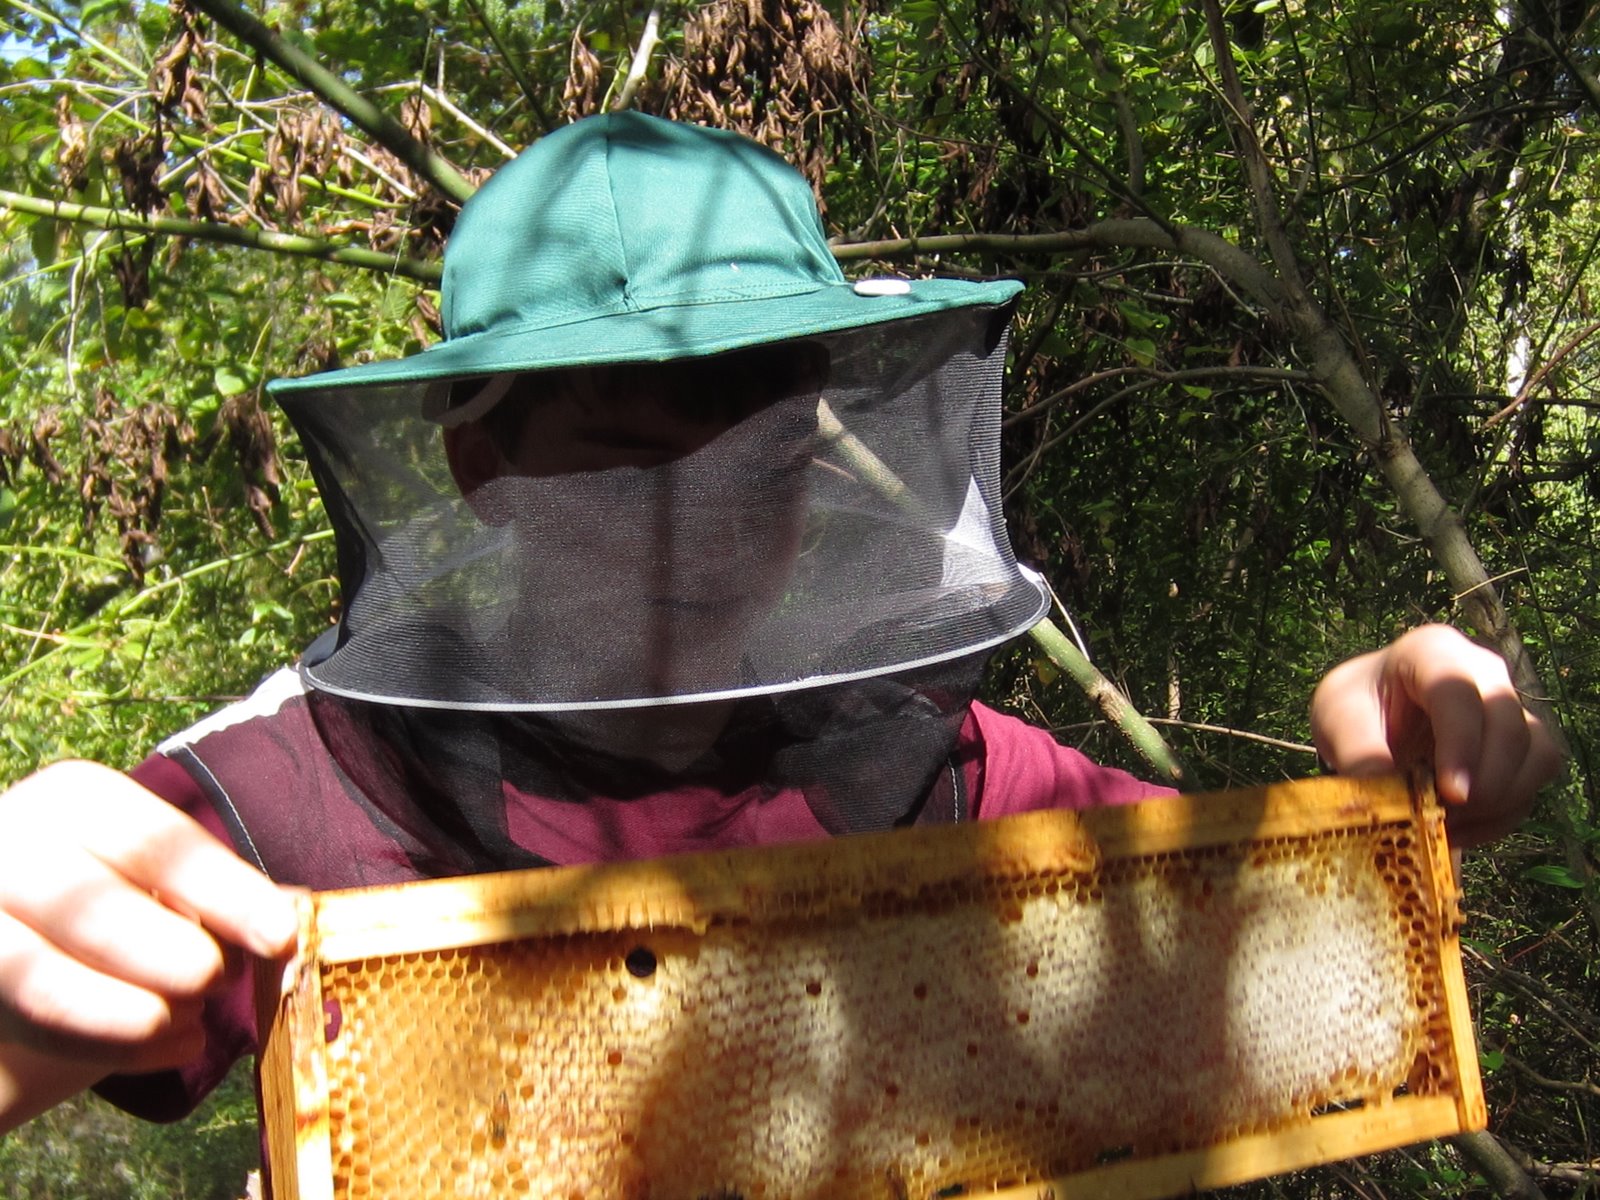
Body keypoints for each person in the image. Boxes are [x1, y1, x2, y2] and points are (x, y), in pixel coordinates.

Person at [0, 113, 1563, 1135]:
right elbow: (56, 956)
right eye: (628, 459)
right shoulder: (281, 809)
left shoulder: (938, 769)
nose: (700, 522)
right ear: (481, 469)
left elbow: (1276, 944)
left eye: (755, 455)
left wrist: (1392, 748)